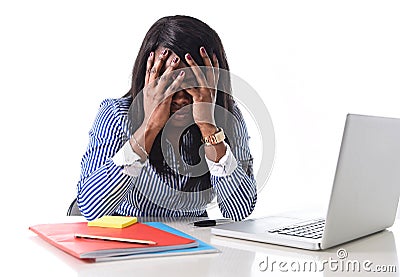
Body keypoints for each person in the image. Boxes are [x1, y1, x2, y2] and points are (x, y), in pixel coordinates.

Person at [76, 15, 257, 221]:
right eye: (168, 83)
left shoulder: (227, 118)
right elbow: (91, 210)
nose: (180, 97)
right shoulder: (116, 115)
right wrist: (149, 126)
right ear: (149, 77)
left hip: (195, 244)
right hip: (132, 241)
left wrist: (208, 128)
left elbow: (238, 211)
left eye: (193, 83)